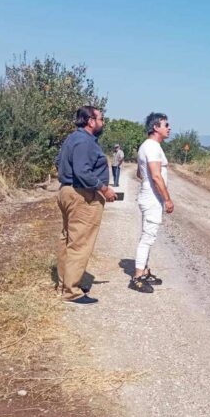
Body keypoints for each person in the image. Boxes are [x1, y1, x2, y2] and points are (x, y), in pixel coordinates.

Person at [56, 106, 117, 305]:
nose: (103, 123)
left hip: (67, 191)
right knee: (80, 243)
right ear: (91, 121)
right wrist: (104, 189)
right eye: (101, 119)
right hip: (82, 195)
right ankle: (71, 291)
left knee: (68, 240)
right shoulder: (84, 141)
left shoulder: (72, 138)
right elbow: (82, 171)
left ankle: (65, 283)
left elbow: (58, 162)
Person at [130, 112, 174, 293]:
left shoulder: (148, 146)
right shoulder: (152, 147)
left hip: (149, 196)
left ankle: (145, 271)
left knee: (148, 235)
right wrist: (167, 199)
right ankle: (137, 277)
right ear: (156, 127)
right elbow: (156, 176)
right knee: (148, 238)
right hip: (152, 198)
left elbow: (140, 173)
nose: (169, 128)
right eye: (165, 125)